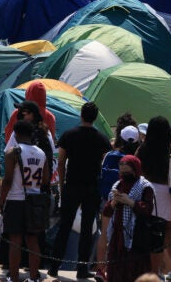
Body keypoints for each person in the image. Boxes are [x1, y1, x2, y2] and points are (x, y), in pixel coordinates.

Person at [48, 102, 112, 279]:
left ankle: (54, 265)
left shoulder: (69, 135)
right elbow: (103, 163)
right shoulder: (102, 139)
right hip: (91, 186)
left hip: (72, 184)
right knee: (87, 229)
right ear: (96, 117)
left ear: (81, 115)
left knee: (65, 227)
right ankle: (82, 268)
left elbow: (60, 162)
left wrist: (62, 185)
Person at [0, 120, 50, 282]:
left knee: (15, 241)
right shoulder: (41, 153)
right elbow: (46, 180)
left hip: (15, 200)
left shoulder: (13, 152)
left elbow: (7, 181)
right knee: (33, 241)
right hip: (34, 201)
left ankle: (14, 278)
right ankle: (33, 278)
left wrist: (0, 202)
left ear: (16, 134)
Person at [136, 117, 171, 279]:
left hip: (154, 193)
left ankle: (156, 271)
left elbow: (138, 171)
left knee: (155, 235)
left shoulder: (143, 149)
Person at [102, 155, 155, 282]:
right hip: (118, 236)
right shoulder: (117, 185)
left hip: (137, 236)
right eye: (122, 172)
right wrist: (115, 201)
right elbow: (107, 211)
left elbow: (147, 209)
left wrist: (129, 202)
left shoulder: (145, 186)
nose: (124, 174)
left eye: (127, 172)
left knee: (135, 270)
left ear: (135, 169)